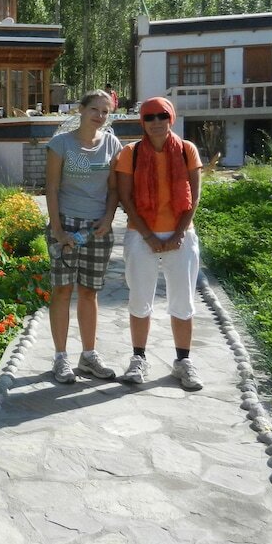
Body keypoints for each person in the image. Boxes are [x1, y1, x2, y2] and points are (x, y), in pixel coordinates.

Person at [115, 96, 204, 391]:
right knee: (140, 300)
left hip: (181, 235)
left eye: (161, 116)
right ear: (142, 121)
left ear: (171, 118)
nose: (156, 122)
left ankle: (183, 362)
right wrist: (149, 236)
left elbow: (195, 196)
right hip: (141, 236)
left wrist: (178, 233)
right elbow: (126, 200)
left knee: (182, 301)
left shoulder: (186, 150)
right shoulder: (132, 153)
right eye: (149, 117)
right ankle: (138, 359)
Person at [45, 89, 123, 383]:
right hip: (65, 225)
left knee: (89, 293)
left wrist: (108, 217)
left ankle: (88, 356)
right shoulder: (60, 144)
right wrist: (58, 229)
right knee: (63, 291)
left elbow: (114, 188)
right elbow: (51, 188)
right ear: (81, 109)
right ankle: (60, 358)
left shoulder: (112, 144)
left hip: (97, 229)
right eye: (95, 109)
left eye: (105, 111)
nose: (100, 116)